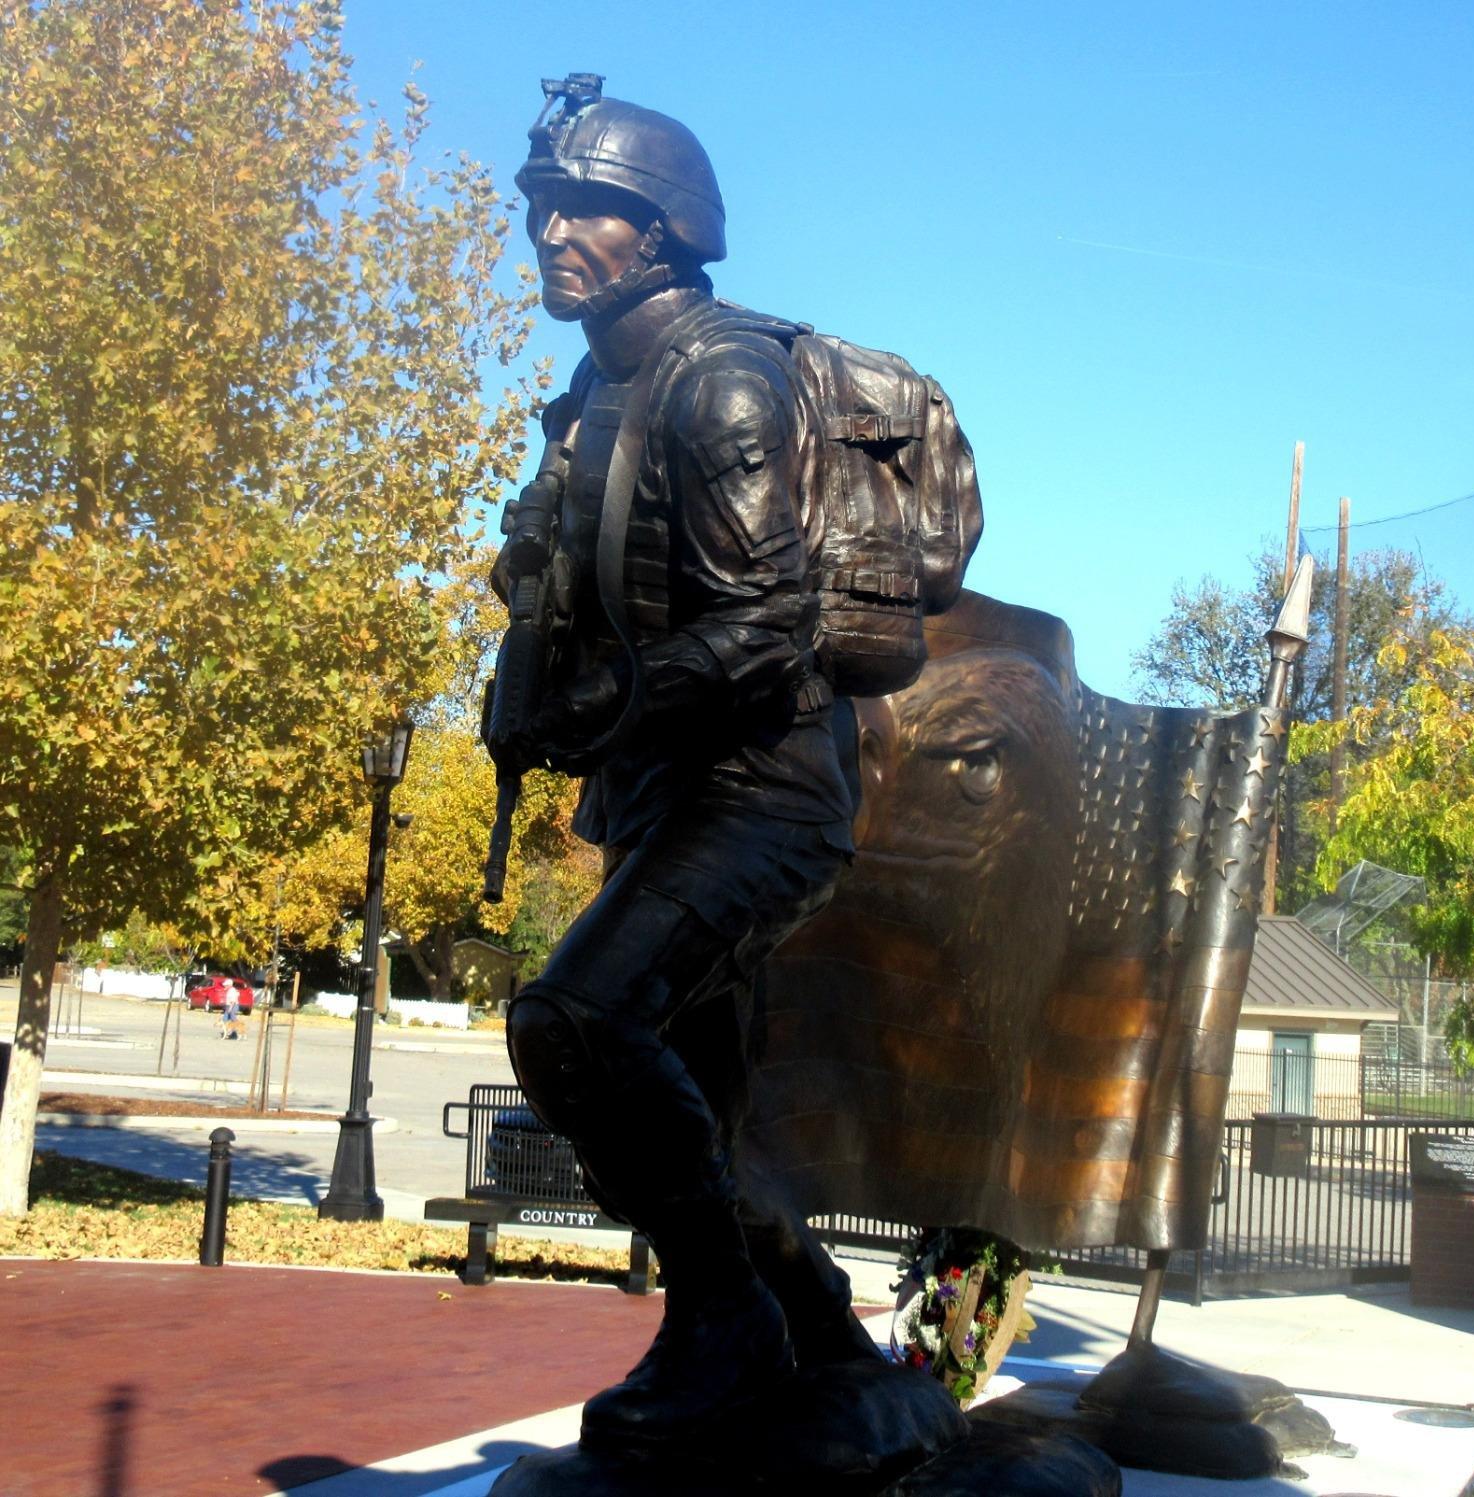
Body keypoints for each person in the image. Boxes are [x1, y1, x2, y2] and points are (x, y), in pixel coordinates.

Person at [483, 75, 870, 1447]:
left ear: (664, 231)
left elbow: (771, 628)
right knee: (704, 1114)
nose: (555, 234)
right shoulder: (596, 387)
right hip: (662, 794)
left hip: (763, 791)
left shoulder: (720, 382)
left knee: (574, 1019)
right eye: (545, 210)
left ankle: (720, 1318)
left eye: (589, 207)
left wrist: (602, 696)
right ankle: (832, 1346)